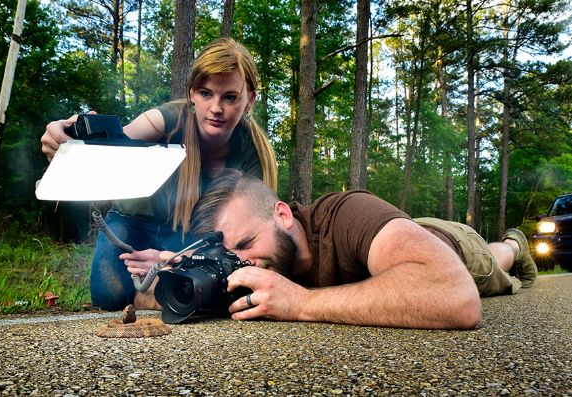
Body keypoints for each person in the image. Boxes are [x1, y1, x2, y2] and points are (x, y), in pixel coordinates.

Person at [40, 39, 278, 311]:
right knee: (109, 294)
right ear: (191, 93)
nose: (215, 108)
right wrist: (69, 139)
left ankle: (152, 295)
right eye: (205, 93)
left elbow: (248, 231)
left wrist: (180, 258)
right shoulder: (169, 119)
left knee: (209, 282)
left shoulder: (252, 153)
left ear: (250, 100)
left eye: (230, 97)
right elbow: (118, 140)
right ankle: (149, 293)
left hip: (189, 231)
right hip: (132, 221)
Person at [181, 169, 536, 330]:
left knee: (493, 261)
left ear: (283, 215)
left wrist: (302, 303)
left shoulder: (344, 214)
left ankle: (514, 243)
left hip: (454, 244)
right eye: (227, 255)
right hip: (397, 237)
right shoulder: (253, 260)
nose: (240, 265)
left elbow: (456, 297)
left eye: (245, 244)